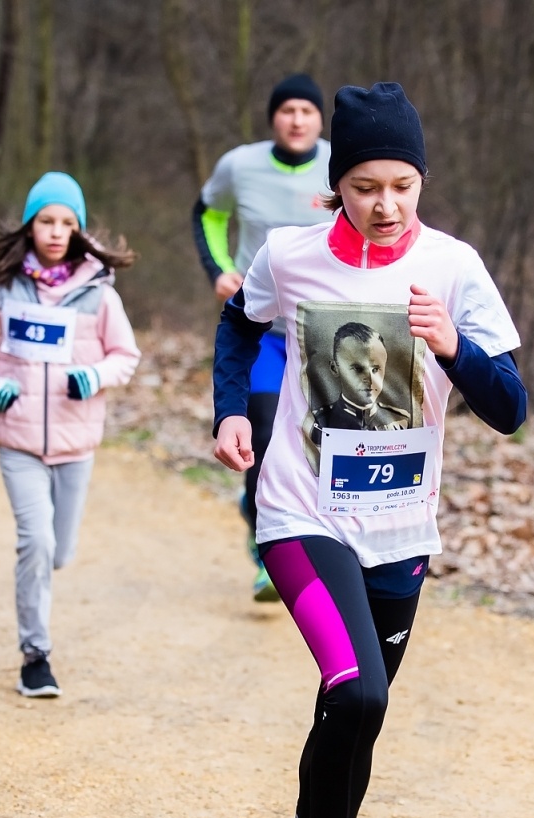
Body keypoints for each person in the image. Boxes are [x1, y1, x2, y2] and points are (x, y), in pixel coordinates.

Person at [211, 83, 528, 818]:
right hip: (301, 513)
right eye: (365, 186)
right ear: (335, 186)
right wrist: (232, 411)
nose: (385, 205)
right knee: (358, 693)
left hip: (401, 524)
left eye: (402, 184)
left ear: (421, 180)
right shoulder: (291, 254)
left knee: (355, 715)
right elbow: (238, 324)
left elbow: (511, 410)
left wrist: (456, 349)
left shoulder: (457, 270)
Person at [0, 173, 141, 698]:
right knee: (36, 542)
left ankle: (44, 593)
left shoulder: (98, 294)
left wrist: (94, 376)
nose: (56, 231)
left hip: (77, 443)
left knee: (59, 551)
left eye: (67, 223)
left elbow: (125, 355)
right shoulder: (4, 287)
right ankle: (36, 656)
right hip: (18, 439)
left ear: (78, 230)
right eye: (46, 221)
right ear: (30, 226)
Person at [193, 73, 332, 602]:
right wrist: (219, 269)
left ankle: (322, 541)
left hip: (324, 336)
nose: (297, 119)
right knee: (266, 430)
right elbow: (207, 212)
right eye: (287, 110)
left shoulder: (339, 169)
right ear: (273, 117)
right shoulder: (239, 165)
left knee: (322, 443)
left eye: (307, 111)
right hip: (264, 333)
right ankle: (267, 550)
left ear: (320, 121)